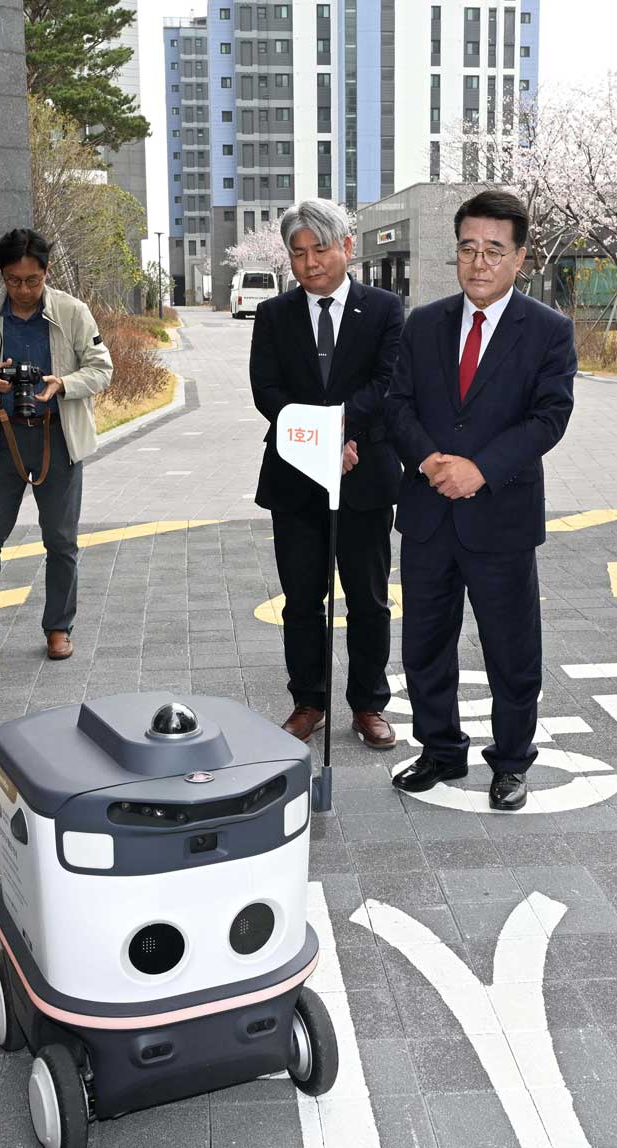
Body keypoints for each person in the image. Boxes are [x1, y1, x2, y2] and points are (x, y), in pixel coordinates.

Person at [385, 190, 576, 812]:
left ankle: (512, 762)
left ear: (521, 257)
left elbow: (550, 417)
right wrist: (429, 460)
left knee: (511, 650)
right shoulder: (425, 323)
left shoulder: (548, 331)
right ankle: (440, 751)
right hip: (428, 513)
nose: (479, 262)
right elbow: (398, 406)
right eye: (468, 248)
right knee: (424, 645)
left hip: (501, 516)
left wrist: (480, 470)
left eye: (495, 250)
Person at [249, 199, 404, 748]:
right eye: (298, 252)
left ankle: (368, 705)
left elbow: (387, 384)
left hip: (364, 473)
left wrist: (342, 432)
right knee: (301, 598)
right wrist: (315, 442)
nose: (310, 262)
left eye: (320, 248)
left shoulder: (385, 308)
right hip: (295, 476)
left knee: (368, 599)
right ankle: (308, 702)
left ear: (347, 247)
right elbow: (266, 391)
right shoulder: (273, 315)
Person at [0, 229, 113, 662]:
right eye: (13, 280)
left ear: (46, 272)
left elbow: (101, 369)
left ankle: (59, 628)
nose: (22, 290)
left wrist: (64, 384)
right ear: (1, 275)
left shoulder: (72, 312)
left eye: (32, 280)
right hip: (0, 437)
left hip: (57, 437)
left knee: (61, 541)